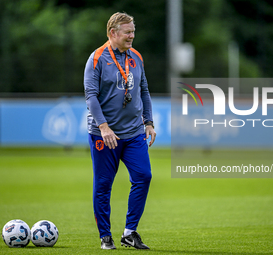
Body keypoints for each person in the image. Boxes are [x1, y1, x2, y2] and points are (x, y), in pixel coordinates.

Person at [83, 12, 156, 250]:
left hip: (134, 132)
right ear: (113, 33)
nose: (132, 36)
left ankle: (129, 232)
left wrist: (149, 122)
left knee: (143, 176)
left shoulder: (136, 57)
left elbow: (144, 90)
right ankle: (105, 235)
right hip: (105, 135)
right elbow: (91, 96)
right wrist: (103, 127)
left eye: (133, 31)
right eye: (128, 32)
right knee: (103, 185)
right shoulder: (96, 59)